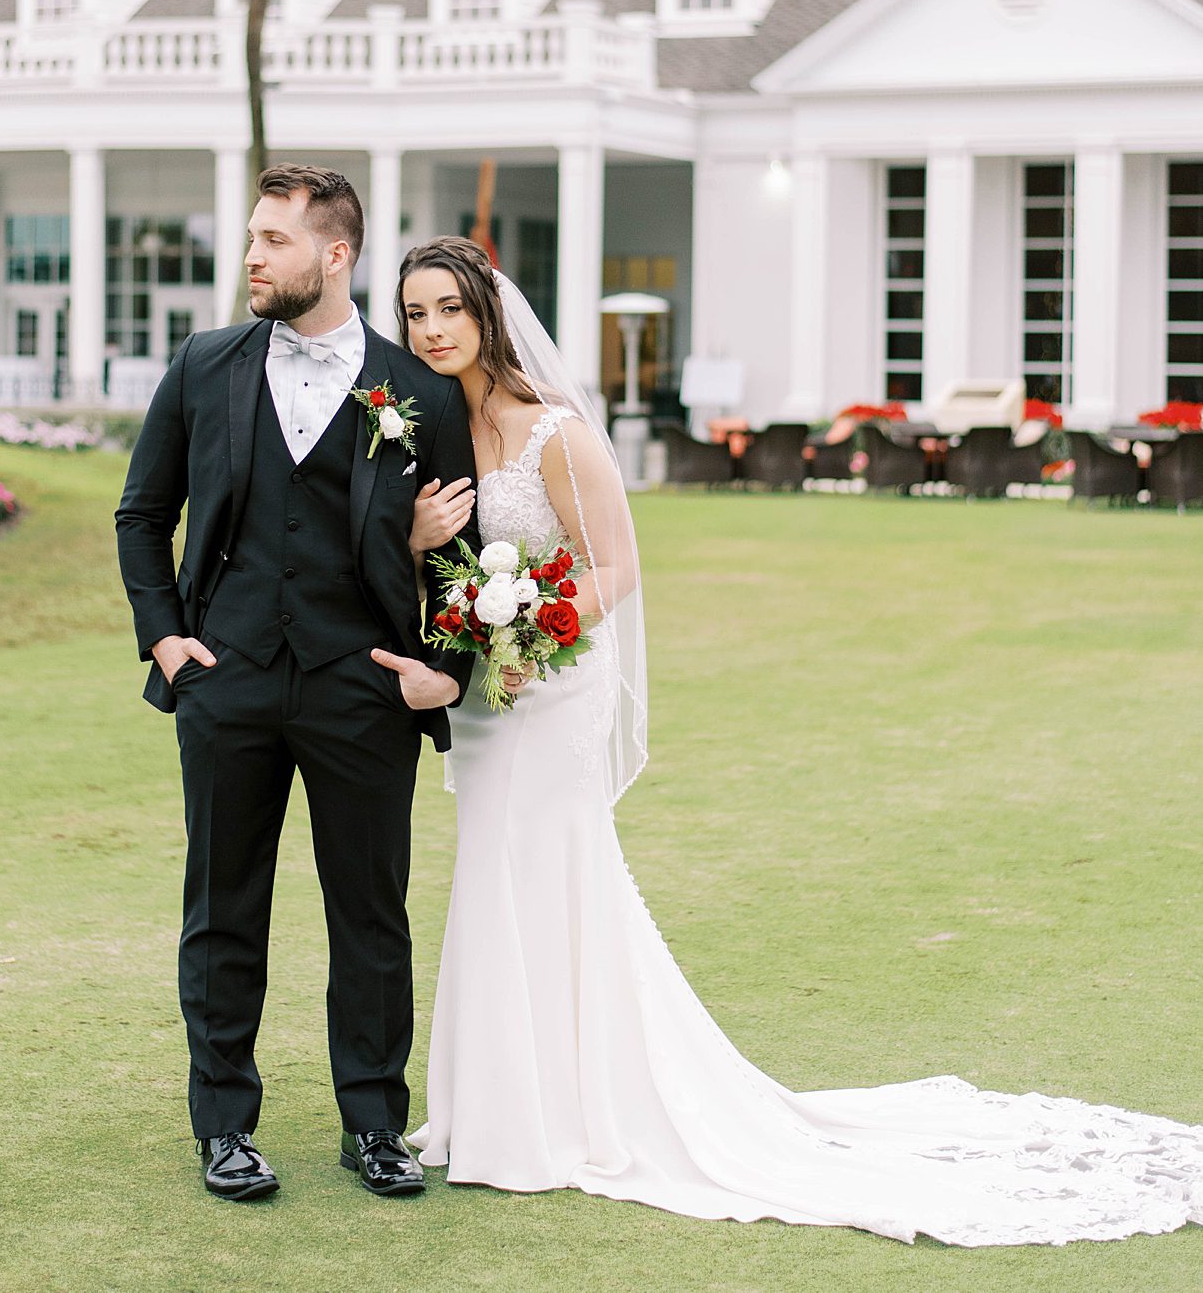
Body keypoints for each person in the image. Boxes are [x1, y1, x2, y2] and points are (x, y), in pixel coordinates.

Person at [397, 235, 1203, 1248]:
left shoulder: (557, 432)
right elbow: (410, 554)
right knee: (490, 875)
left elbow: (616, 567)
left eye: (447, 309)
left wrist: (531, 634)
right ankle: (496, 1108)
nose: (430, 330)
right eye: (415, 312)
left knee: (552, 872)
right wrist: (444, 579)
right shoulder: (423, 430)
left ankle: (573, 1110)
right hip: (483, 692)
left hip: (552, 681)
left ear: (487, 314)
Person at [115, 168, 478, 1203]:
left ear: (335, 254)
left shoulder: (419, 391)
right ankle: (223, 1124)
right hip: (225, 680)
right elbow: (143, 514)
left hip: (362, 688)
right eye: (251, 237)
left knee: (372, 911)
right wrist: (167, 641)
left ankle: (375, 1122)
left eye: (274, 239)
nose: (252, 258)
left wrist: (439, 671)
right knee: (223, 907)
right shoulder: (204, 365)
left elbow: (464, 543)